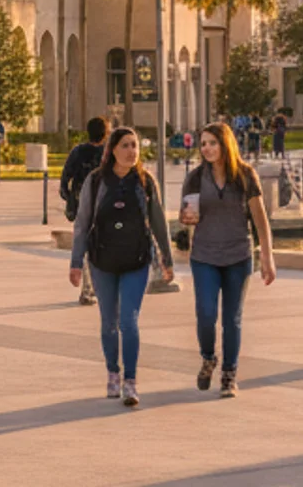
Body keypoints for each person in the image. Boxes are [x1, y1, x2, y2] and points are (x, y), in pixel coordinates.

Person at [67, 127, 173, 407]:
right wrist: (76, 263)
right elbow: (82, 223)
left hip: (136, 260)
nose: (131, 151)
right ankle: (113, 372)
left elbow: (159, 221)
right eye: (125, 145)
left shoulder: (145, 181)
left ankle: (130, 381)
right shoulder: (96, 181)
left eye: (135, 146)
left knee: (129, 321)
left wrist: (167, 257)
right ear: (112, 149)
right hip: (102, 261)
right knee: (108, 323)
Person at [180, 123, 277, 397]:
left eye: (212, 142)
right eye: (203, 144)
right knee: (206, 314)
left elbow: (260, 220)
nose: (207, 148)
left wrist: (267, 258)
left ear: (225, 144)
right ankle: (209, 357)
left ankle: (229, 375)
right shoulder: (196, 178)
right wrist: (185, 218)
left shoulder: (245, 176)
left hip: (238, 256)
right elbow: (186, 215)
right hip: (204, 256)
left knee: (232, 319)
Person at [61, 117, 110, 306]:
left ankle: (88, 290)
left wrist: (69, 199)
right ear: (105, 133)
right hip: (105, 205)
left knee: (86, 244)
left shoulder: (78, 152)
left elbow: (66, 178)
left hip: (83, 204)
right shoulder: (108, 153)